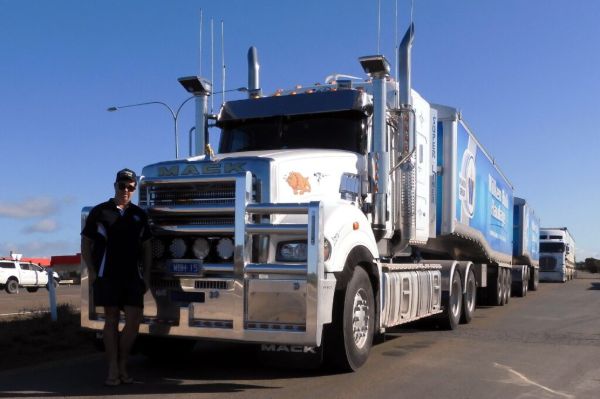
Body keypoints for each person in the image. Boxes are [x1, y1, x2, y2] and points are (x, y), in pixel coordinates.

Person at [81, 168, 152, 386]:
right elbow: (86, 242)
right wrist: (92, 271)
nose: (126, 190)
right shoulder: (100, 212)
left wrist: (146, 276)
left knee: (134, 320)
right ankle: (113, 367)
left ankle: (122, 363)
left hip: (132, 277)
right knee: (111, 321)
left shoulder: (139, 215)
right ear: (115, 186)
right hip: (107, 275)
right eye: (122, 186)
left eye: (131, 187)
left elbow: (147, 247)